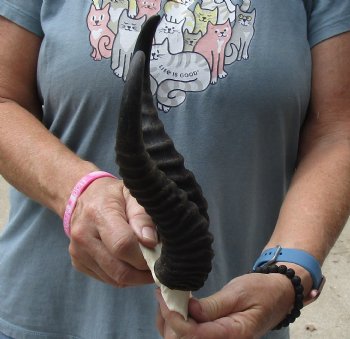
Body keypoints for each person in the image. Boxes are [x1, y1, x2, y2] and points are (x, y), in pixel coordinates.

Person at [0, 1, 349, 338]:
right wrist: (77, 190)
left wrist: (287, 272)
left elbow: (337, 128)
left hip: (236, 324)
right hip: (47, 318)